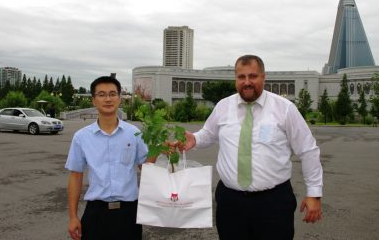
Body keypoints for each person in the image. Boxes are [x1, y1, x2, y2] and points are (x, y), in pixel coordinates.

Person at [180, 55, 323, 239]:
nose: (247, 82)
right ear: (235, 79)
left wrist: (314, 194)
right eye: (241, 77)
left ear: (263, 77)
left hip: (273, 203)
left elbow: (308, 150)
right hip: (230, 203)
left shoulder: (284, 108)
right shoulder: (223, 107)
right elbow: (209, 133)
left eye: (252, 76)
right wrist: (195, 139)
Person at [66, 76, 153, 240]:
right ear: (93, 100)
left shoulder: (134, 133)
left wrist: (158, 149)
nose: (108, 99)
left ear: (120, 99)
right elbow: (75, 176)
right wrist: (73, 216)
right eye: (101, 94)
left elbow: (147, 169)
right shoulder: (81, 137)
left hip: (128, 213)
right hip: (96, 213)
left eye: (113, 94)